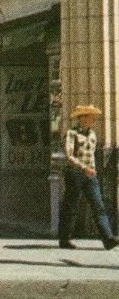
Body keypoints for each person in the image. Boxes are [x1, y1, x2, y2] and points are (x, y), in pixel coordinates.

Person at [58, 104, 118, 250]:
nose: (94, 120)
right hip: (75, 173)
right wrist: (83, 168)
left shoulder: (92, 134)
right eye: (91, 117)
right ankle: (64, 238)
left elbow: (91, 155)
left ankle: (108, 238)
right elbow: (69, 156)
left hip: (90, 174)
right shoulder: (71, 134)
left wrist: (92, 169)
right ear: (82, 118)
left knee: (98, 205)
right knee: (71, 206)